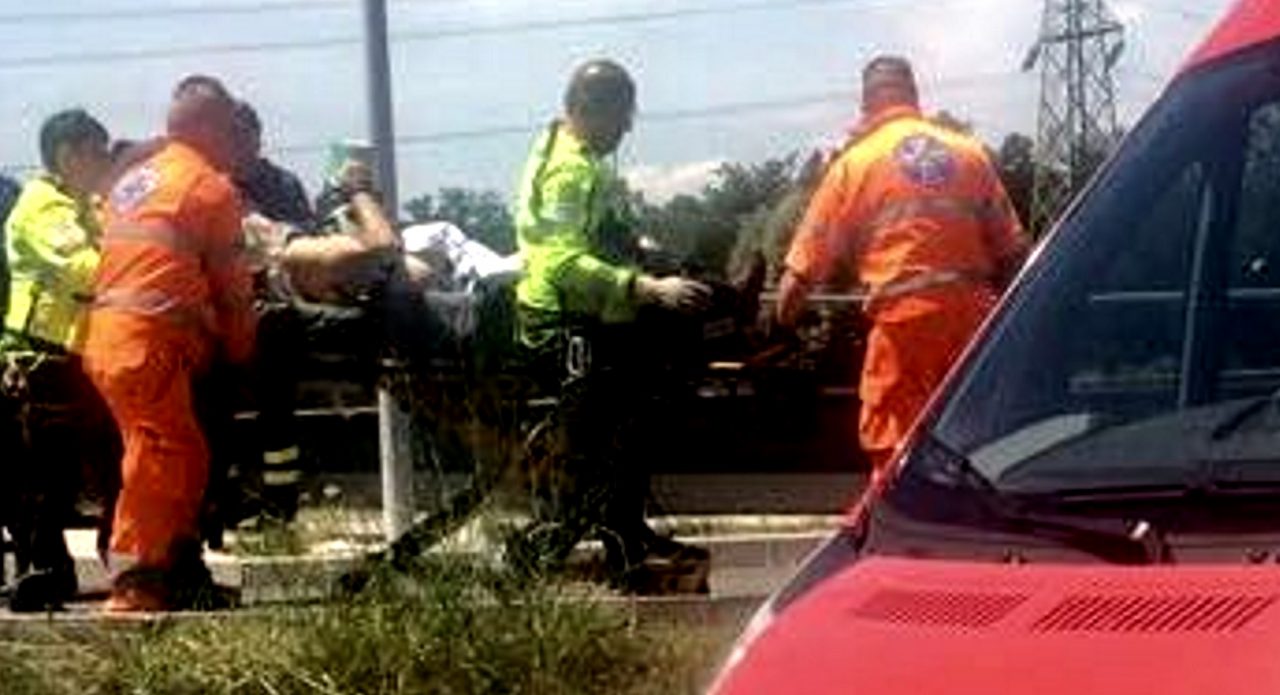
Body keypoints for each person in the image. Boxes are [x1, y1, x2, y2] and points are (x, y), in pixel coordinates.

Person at [511, 59, 713, 591]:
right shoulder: (571, 170)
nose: (628, 128)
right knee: (620, 427)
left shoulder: (569, 152)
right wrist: (649, 288)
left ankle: (624, 532)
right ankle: (600, 538)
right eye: (623, 116)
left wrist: (638, 248)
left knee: (624, 425)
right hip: (569, 319)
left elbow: (591, 232)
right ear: (592, 111)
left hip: (589, 313)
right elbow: (561, 260)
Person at [777, 56, 1029, 473]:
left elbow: (801, 273)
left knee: (896, 454)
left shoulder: (853, 165)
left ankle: (906, 533)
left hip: (904, 330)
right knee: (976, 450)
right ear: (913, 95)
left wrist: (781, 321)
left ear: (866, 103)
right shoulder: (970, 154)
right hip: (975, 323)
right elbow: (1016, 254)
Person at [82, 75, 256, 612]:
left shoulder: (137, 179)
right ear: (206, 128)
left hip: (110, 338)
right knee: (166, 454)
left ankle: (175, 568)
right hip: (150, 343)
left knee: (167, 450)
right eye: (230, 127)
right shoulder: (210, 187)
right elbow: (232, 288)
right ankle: (137, 579)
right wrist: (240, 347)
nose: (236, 139)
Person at [0, 110, 119, 610]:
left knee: (91, 466)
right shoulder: (42, 208)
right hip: (42, 359)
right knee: (49, 476)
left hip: (80, 357)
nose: (104, 164)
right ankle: (43, 571)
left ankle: (99, 558)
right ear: (68, 155)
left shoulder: (83, 205)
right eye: (97, 153)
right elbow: (85, 268)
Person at [232, 101, 314, 232]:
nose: (237, 142)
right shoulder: (213, 184)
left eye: (243, 133)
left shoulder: (286, 184)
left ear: (257, 135)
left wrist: (266, 225)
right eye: (231, 135)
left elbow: (309, 231)